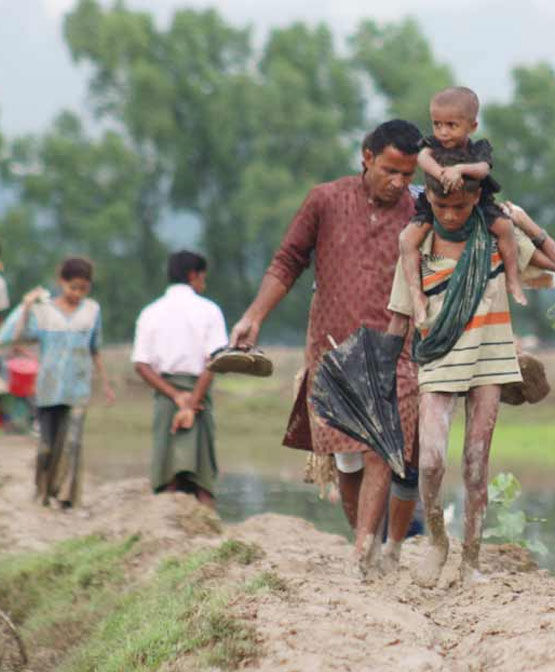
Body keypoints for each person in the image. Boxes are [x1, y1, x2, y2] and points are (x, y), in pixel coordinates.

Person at [229, 119, 423, 572]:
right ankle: (366, 541)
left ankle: (363, 551)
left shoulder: (420, 212)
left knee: (381, 448)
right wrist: (254, 317)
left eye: (408, 174)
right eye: (390, 170)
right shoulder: (326, 200)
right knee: (347, 460)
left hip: (394, 349)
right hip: (332, 347)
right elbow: (288, 260)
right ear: (367, 157)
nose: (398, 182)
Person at [387, 173, 555, 586]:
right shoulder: (417, 247)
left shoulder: (496, 238)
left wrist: (524, 221)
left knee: (475, 464)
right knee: (431, 461)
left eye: (461, 206)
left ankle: (471, 560)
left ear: (477, 200)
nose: (451, 215)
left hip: (490, 359)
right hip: (437, 359)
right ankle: (437, 539)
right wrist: (383, 372)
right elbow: (399, 317)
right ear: (428, 201)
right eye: (441, 206)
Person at [400, 86, 524, 329]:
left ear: (472, 126)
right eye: (437, 124)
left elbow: (483, 169)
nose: (443, 132)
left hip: (475, 202)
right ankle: (416, 294)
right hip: (435, 201)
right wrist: (441, 173)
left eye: (451, 125)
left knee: (505, 228)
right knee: (406, 240)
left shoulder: (478, 149)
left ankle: (513, 279)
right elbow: (422, 159)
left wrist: (459, 170)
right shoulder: (432, 145)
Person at [0, 257, 114, 508]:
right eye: (73, 287)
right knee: (46, 446)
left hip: (78, 387)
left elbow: (95, 349)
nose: (78, 294)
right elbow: (17, 338)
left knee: (72, 443)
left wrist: (105, 383)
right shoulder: (44, 311)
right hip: (48, 388)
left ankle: (66, 497)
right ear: (61, 282)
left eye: (83, 288)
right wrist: (26, 307)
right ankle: (43, 491)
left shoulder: (92, 311)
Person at [131, 250, 227, 506]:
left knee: (167, 475)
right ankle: (209, 527)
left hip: (166, 397)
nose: (204, 284)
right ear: (193, 275)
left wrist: (176, 398)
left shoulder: (150, 312)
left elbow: (141, 364)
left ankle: (164, 524)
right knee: (203, 478)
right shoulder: (209, 310)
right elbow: (215, 360)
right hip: (199, 395)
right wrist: (193, 403)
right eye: (203, 278)